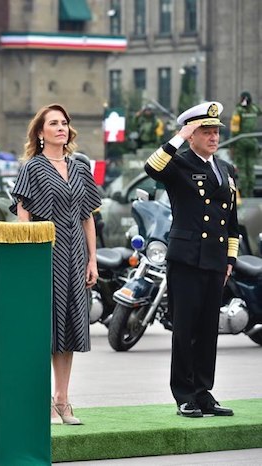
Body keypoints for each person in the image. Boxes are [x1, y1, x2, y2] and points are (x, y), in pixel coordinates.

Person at [145, 101, 239, 418]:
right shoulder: (178, 165)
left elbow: (232, 221)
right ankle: (184, 394)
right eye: (206, 131)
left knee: (208, 329)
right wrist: (177, 136)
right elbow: (151, 168)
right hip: (186, 258)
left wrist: (230, 260)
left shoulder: (227, 170)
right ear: (191, 135)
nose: (213, 137)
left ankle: (203, 391)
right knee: (184, 329)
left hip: (215, 260)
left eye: (215, 132)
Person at [10, 103, 101, 426]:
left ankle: (63, 399)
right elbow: (23, 216)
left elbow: (87, 216)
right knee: (44, 329)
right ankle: (41, 400)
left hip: (75, 254)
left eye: (64, 122)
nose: (61, 128)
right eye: (53, 123)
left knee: (70, 329)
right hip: (44, 254)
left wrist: (92, 259)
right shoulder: (31, 168)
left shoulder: (79, 167)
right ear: (40, 132)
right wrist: (26, 258)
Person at [230, 91, 262, 197]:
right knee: (251, 168)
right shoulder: (254, 109)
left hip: (241, 142)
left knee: (243, 168)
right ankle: (251, 192)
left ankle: (245, 194)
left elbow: (234, 129)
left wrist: (232, 145)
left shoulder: (238, 111)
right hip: (252, 141)